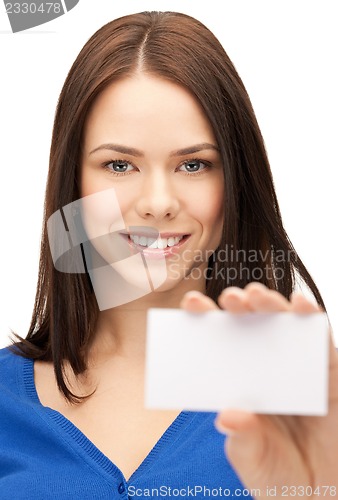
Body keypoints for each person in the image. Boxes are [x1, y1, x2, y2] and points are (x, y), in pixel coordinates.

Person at [0, 10, 337, 499]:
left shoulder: (307, 398)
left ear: (236, 182)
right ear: (72, 182)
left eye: (193, 164)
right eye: (119, 164)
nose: (158, 201)